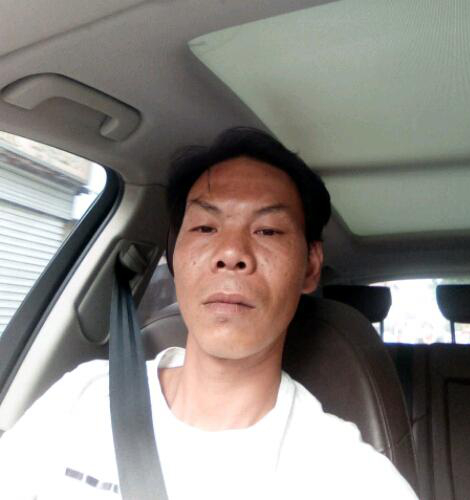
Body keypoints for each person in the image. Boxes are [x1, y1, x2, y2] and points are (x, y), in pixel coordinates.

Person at [0, 128, 418, 499]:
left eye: (268, 230)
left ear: (310, 267)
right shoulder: (80, 398)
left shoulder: (352, 478)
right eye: (204, 228)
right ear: (174, 255)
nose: (231, 252)